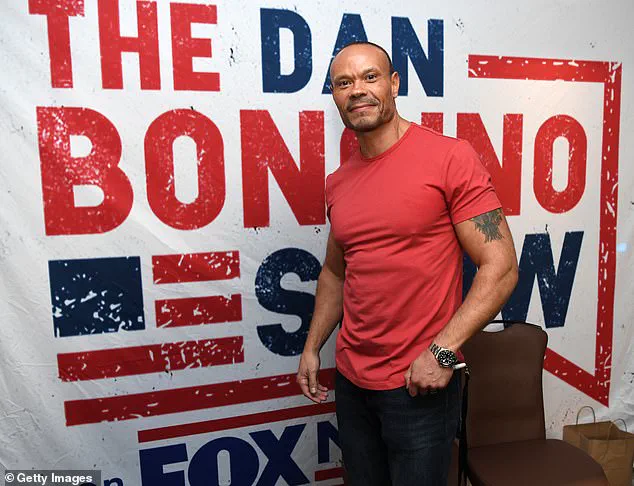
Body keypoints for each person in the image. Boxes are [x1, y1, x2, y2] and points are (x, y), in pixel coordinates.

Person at [296, 41, 519, 486]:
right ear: (335, 96)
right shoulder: (338, 182)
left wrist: (442, 352)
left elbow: (501, 267)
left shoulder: (449, 158)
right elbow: (336, 273)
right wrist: (312, 345)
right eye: (344, 83)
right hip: (352, 384)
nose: (357, 90)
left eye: (370, 77)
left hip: (418, 385)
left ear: (394, 84)